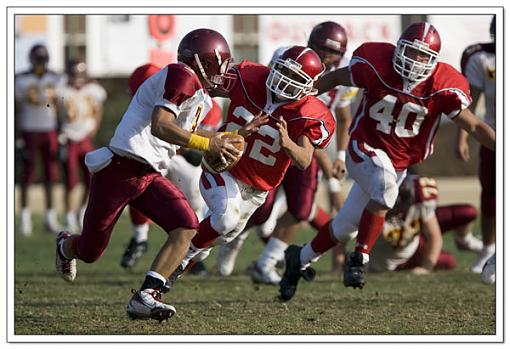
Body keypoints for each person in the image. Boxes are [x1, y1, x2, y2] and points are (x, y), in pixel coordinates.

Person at [279, 22, 496, 301]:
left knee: (346, 225)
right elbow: (335, 79)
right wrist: (299, 98)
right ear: (398, 48)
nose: (413, 60)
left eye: (422, 55)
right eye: (409, 52)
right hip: (364, 146)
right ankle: (360, 259)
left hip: (397, 164)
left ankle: (299, 259)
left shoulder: (442, 85)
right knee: (386, 192)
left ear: (433, 60)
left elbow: (475, 126)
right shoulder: (376, 64)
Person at [54, 28, 246, 322]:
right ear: (200, 62)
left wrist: (224, 139)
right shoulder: (182, 75)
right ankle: (66, 245)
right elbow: (161, 125)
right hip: (120, 170)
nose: (222, 72)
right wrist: (209, 143)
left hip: (149, 173)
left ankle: (147, 295)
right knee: (91, 251)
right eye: (218, 65)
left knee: (186, 226)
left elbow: (183, 134)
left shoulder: (198, 92)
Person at [168, 45, 336, 288]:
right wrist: (179, 109)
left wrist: (288, 143)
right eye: (283, 71)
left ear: (309, 86)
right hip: (224, 166)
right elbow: (208, 84)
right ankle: (176, 265)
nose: (285, 81)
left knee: (223, 234)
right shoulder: (249, 77)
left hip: (258, 188)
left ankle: (188, 255)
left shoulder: (310, 113)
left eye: (295, 78)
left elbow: (304, 160)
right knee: (225, 220)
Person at [214, 21, 358, 285]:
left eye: (334, 52)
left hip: (305, 144)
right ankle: (235, 239)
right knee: (261, 209)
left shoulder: (344, 77)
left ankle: (266, 262)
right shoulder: (287, 55)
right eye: (322, 48)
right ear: (310, 43)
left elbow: (343, 117)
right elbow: (268, 95)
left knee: (302, 208)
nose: (327, 56)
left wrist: (338, 155)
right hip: (271, 136)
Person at [119, 63, 222, 276]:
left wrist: (213, 142)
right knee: (136, 183)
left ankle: (190, 252)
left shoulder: (206, 103)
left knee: (194, 199)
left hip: (181, 155)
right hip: (152, 150)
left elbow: (189, 140)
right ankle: (140, 238)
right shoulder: (152, 78)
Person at [341, 175, 482, 274]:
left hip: (413, 244)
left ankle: (464, 240)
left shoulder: (418, 197)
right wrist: (339, 263)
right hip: (385, 262)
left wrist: (426, 268)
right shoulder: (369, 206)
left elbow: (434, 236)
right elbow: (342, 231)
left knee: (468, 212)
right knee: (449, 261)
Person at [457, 16, 496, 279]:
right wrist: (462, 137)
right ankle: (489, 248)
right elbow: (468, 103)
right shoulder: (481, 58)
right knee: (491, 192)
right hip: (495, 134)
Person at [15, 44, 64, 235]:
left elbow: (59, 105)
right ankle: (25, 218)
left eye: (42, 59)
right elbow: (17, 109)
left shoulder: (56, 78)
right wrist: (17, 135)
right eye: (37, 59)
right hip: (29, 129)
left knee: (51, 175)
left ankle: (50, 216)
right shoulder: (21, 79)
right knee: (27, 175)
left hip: (49, 129)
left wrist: (61, 131)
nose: (40, 63)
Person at [57, 59, 107, 232]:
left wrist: (93, 130)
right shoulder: (61, 89)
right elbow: (55, 112)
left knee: (91, 178)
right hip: (69, 137)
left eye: (80, 74)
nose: (78, 78)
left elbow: (98, 111)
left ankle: (81, 211)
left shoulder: (93, 90)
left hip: (85, 139)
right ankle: (69, 215)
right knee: (70, 180)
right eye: (75, 74)